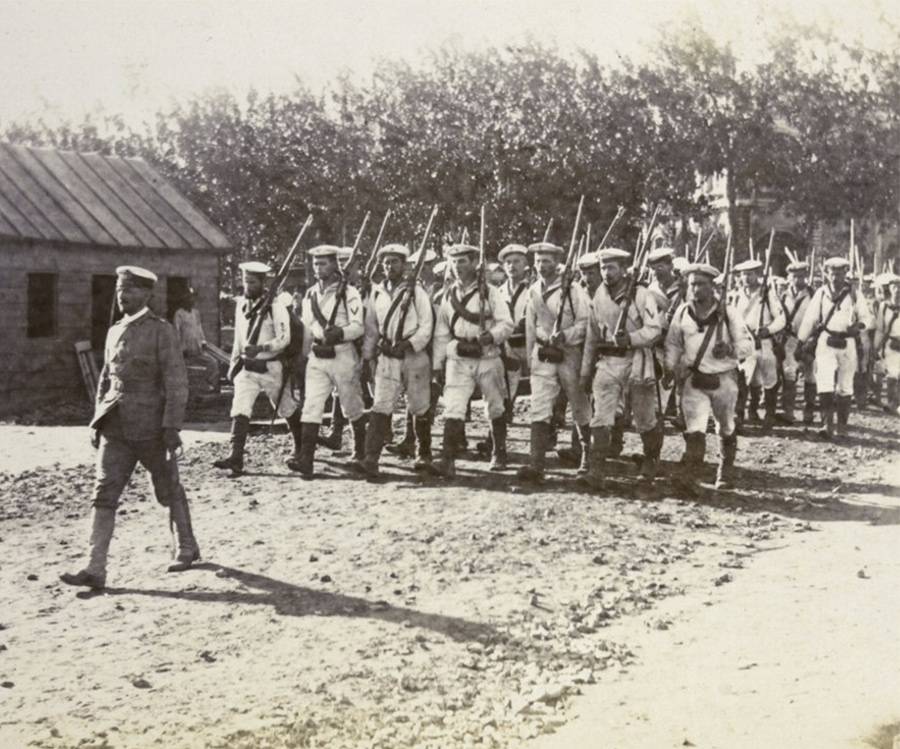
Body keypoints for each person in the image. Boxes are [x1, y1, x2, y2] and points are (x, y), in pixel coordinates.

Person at [60, 266, 199, 589]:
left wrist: (171, 426)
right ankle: (95, 567)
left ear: (147, 295)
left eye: (131, 290)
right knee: (103, 493)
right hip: (116, 426)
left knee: (167, 490)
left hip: (152, 427)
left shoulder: (161, 331)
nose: (123, 295)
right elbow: (106, 379)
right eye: (120, 289)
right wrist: (97, 420)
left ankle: (187, 545)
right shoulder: (114, 331)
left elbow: (177, 382)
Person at [663, 263, 755, 490]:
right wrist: (669, 367)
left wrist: (730, 349)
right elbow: (673, 343)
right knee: (695, 429)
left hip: (723, 379)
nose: (696, 289)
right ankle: (691, 478)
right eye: (692, 284)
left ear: (713, 286)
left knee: (726, 427)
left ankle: (725, 472)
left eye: (702, 284)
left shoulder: (728, 313)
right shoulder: (683, 312)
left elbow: (748, 345)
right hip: (694, 380)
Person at [580, 248, 663, 487]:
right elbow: (592, 336)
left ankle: (650, 463)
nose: (606, 272)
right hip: (608, 361)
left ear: (624, 269)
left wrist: (632, 338)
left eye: (611, 267)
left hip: (637, 360)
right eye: (603, 267)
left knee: (644, 417)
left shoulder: (641, 294)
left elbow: (654, 330)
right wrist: (586, 371)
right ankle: (597, 470)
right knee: (601, 416)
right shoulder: (598, 296)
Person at [213, 261, 304, 477]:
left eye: (252, 282)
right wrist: (235, 362)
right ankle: (236, 456)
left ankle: (301, 447)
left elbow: (284, 338)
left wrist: (262, 348)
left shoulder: (275, 307)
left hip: (271, 366)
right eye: (246, 281)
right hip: (248, 367)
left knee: (286, 407)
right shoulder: (241, 305)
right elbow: (239, 337)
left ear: (263, 283)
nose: (248, 286)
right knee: (240, 407)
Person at [432, 244, 514, 477]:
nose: (457, 266)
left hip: (487, 355)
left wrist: (492, 335)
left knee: (494, 405)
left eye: (462, 261)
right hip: (458, 355)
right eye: (454, 261)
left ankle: (499, 452)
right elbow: (441, 332)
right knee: (454, 405)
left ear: (474, 263)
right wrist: (438, 364)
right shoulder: (448, 294)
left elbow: (506, 324)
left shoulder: (490, 292)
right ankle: (447, 460)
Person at [355, 243, 435, 475]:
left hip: (413, 356)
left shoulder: (416, 291)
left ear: (404, 265)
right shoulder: (377, 293)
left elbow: (426, 326)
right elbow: (372, 328)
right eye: (386, 262)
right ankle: (371, 458)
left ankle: (423, 454)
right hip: (388, 356)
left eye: (395, 262)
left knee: (419, 405)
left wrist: (409, 344)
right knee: (381, 405)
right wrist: (368, 357)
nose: (390, 266)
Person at [517, 243, 591, 482]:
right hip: (543, 353)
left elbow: (585, 324)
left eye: (546, 261)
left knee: (579, 404)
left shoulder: (573, 289)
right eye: (538, 261)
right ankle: (536, 464)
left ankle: (586, 460)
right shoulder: (533, 290)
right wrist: (530, 356)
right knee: (539, 406)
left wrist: (566, 335)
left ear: (557, 263)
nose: (541, 266)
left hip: (568, 353)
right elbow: (530, 327)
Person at [293, 245, 367, 476]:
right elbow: (307, 329)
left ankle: (360, 452)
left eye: (323, 263)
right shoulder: (310, 294)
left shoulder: (349, 293)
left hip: (343, 354)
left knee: (351, 405)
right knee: (311, 405)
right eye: (315, 263)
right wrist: (303, 356)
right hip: (318, 356)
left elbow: (358, 327)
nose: (318, 268)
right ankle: (306, 459)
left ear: (335, 265)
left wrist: (341, 332)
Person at [797, 256, 873, 437]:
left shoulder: (855, 294)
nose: (836, 276)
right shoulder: (821, 293)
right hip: (826, 341)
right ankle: (827, 424)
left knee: (845, 385)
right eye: (832, 273)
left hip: (848, 343)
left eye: (839, 273)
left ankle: (842, 426)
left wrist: (859, 326)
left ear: (845, 273)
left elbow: (867, 318)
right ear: (827, 274)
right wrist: (801, 342)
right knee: (825, 382)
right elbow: (809, 320)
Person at [733, 259, 786, 430]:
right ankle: (741, 414)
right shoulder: (736, 295)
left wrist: (769, 329)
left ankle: (769, 414)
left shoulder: (768, 294)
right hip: (744, 343)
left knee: (769, 379)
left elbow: (781, 319)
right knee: (744, 379)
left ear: (757, 275)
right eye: (743, 274)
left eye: (750, 274)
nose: (746, 278)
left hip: (764, 343)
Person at [779, 261, 816, 423]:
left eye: (801, 277)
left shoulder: (813, 295)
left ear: (806, 276)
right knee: (789, 374)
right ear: (789, 278)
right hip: (791, 340)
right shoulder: (783, 296)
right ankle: (789, 412)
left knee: (811, 376)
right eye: (794, 277)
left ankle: (809, 410)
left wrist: (813, 339)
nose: (798, 280)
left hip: (810, 340)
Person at [173, 288, 220, 394]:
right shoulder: (179, 313)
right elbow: (176, 332)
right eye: (189, 298)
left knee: (213, 362)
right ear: (185, 300)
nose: (192, 300)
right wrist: (180, 349)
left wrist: (203, 342)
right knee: (185, 370)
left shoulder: (196, 313)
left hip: (197, 348)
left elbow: (199, 329)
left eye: (193, 298)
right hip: (185, 350)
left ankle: (210, 385)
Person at [873, 274, 900, 415]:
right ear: (890, 289)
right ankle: (892, 403)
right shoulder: (884, 306)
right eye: (894, 287)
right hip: (891, 344)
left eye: (899, 287)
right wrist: (876, 347)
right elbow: (880, 329)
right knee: (892, 375)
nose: (898, 290)